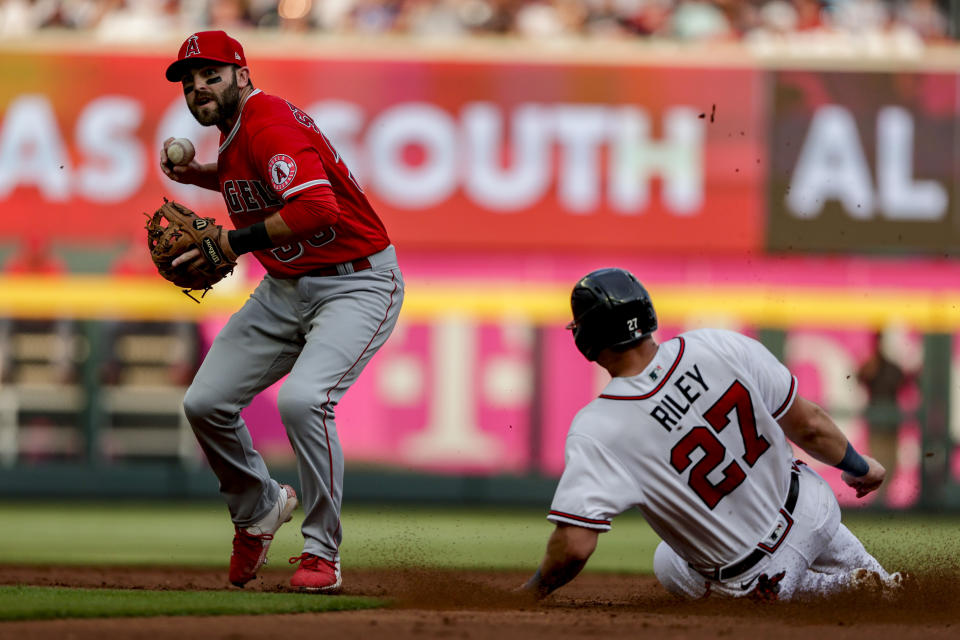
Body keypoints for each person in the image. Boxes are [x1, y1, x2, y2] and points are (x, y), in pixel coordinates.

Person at [161, 30, 404, 592]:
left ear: (242, 75)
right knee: (206, 402)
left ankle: (322, 553)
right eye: (190, 82)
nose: (199, 88)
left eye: (212, 75)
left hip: (356, 283)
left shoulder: (267, 123)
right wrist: (204, 176)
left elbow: (318, 207)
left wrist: (230, 242)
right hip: (287, 286)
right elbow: (259, 181)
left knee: (303, 400)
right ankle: (259, 510)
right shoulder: (237, 131)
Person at [522, 268, 905, 601]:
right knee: (667, 561)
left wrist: (532, 591)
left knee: (687, 571)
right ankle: (882, 581)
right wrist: (859, 466)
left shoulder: (599, 428)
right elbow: (810, 425)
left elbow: (573, 546)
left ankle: (847, 590)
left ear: (587, 338)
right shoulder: (718, 344)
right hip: (813, 508)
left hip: (756, 575)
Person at [856, 330, 908, 506]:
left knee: (891, 462)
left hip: (891, 421)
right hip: (877, 421)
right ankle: (879, 499)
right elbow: (860, 378)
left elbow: (904, 380)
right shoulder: (872, 364)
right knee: (877, 459)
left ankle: (883, 498)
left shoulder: (892, 366)